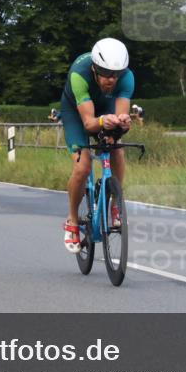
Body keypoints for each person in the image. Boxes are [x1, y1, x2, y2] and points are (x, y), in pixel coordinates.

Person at [60, 38, 134, 253]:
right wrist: (103, 121)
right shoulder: (79, 74)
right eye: (105, 73)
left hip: (105, 107)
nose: (111, 80)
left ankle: (115, 207)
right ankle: (72, 220)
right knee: (82, 167)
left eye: (115, 75)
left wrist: (122, 123)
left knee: (117, 150)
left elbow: (121, 115)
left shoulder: (127, 78)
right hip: (77, 112)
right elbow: (89, 124)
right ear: (94, 68)